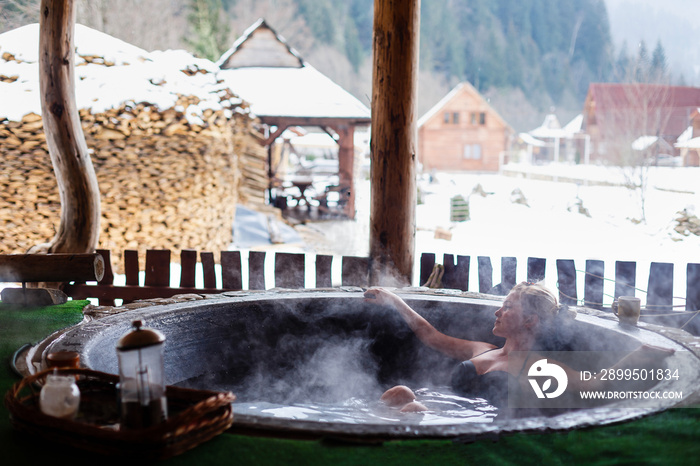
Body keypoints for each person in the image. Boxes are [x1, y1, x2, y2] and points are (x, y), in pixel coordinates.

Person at [364, 282, 673, 414]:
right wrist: (393, 300)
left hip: (473, 426)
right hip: (444, 410)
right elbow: (429, 335)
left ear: (529, 321)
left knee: (412, 406)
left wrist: (642, 354)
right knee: (401, 393)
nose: (498, 312)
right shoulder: (482, 349)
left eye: (507, 307)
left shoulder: (541, 367)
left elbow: (595, 384)